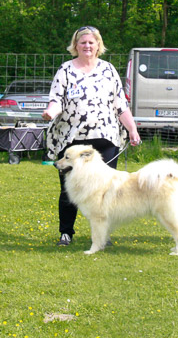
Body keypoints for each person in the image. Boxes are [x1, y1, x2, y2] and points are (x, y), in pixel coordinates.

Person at [41, 26, 142, 246]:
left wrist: (132, 129)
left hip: (106, 139)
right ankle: (66, 233)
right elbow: (56, 99)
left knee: (106, 192)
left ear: (98, 45)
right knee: (70, 189)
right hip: (72, 141)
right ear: (75, 45)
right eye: (82, 43)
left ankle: (102, 235)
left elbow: (120, 105)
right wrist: (51, 111)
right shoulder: (65, 70)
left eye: (91, 43)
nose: (87, 46)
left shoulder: (108, 70)